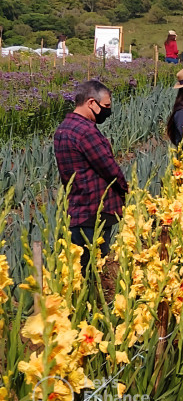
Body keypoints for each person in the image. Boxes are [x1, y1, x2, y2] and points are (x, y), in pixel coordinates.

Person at [54, 80, 128, 275]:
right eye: (106, 106)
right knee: (93, 270)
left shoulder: (63, 128)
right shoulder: (86, 132)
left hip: (76, 209)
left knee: (78, 270)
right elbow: (109, 169)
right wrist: (127, 191)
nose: (108, 111)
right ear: (91, 103)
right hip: (95, 212)